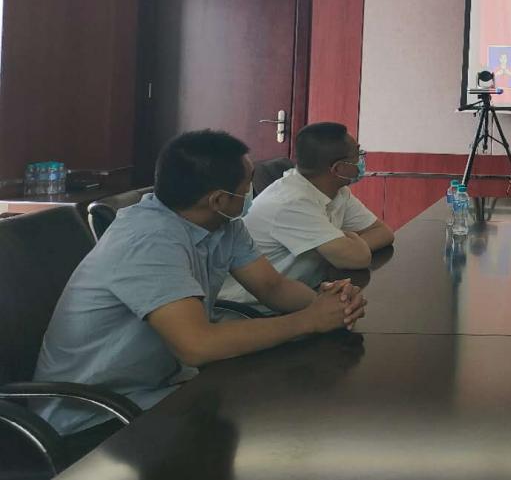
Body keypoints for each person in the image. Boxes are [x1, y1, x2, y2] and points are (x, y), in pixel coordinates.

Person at [33, 130, 367, 450]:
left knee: (282, 411)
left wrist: (332, 304)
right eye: (248, 184)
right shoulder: (149, 240)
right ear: (218, 199)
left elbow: (272, 286)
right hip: (94, 416)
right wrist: (309, 320)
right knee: (270, 428)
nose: (252, 190)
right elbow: (197, 345)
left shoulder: (223, 224)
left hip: (160, 389)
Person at [218, 122, 394, 309]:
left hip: (301, 293)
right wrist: (345, 247)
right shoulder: (291, 202)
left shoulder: (337, 191)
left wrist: (345, 246)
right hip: (252, 309)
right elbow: (356, 258)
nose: (362, 159)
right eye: (357, 154)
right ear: (338, 168)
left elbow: (383, 233)